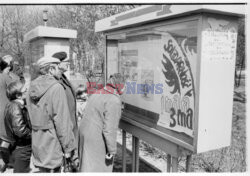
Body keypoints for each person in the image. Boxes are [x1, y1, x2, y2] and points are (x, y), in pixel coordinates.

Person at [26, 56, 78, 172]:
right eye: (57, 68)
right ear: (50, 70)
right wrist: (68, 148)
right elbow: (62, 122)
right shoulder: (56, 88)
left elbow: (29, 117)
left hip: (38, 143)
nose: (60, 71)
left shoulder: (31, 87)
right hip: (53, 144)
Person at [78, 73, 126, 172]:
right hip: (97, 140)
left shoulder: (98, 92)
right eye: (125, 85)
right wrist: (111, 150)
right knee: (99, 169)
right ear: (119, 85)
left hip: (85, 135)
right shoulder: (114, 100)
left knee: (86, 168)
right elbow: (109, 129)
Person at [4, 81, 31, 173]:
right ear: (18, 95)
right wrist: (34, 134)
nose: (27, 90)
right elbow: (20, 130)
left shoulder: (14, 105)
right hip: (22, 148)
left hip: (19, 148)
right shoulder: (15, 107)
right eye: (25, 90)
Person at [52, 51, 78, 141]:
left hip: (71, 125)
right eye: (66, 61)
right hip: (64, 130)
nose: (69, 63)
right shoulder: (54, 80)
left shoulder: (62, 77)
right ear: (58, 64)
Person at [0, 56, 14, 172]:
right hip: (5, 110)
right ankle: (5, 161)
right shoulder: (6, 78)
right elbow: (16, 91)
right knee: (7, 137)